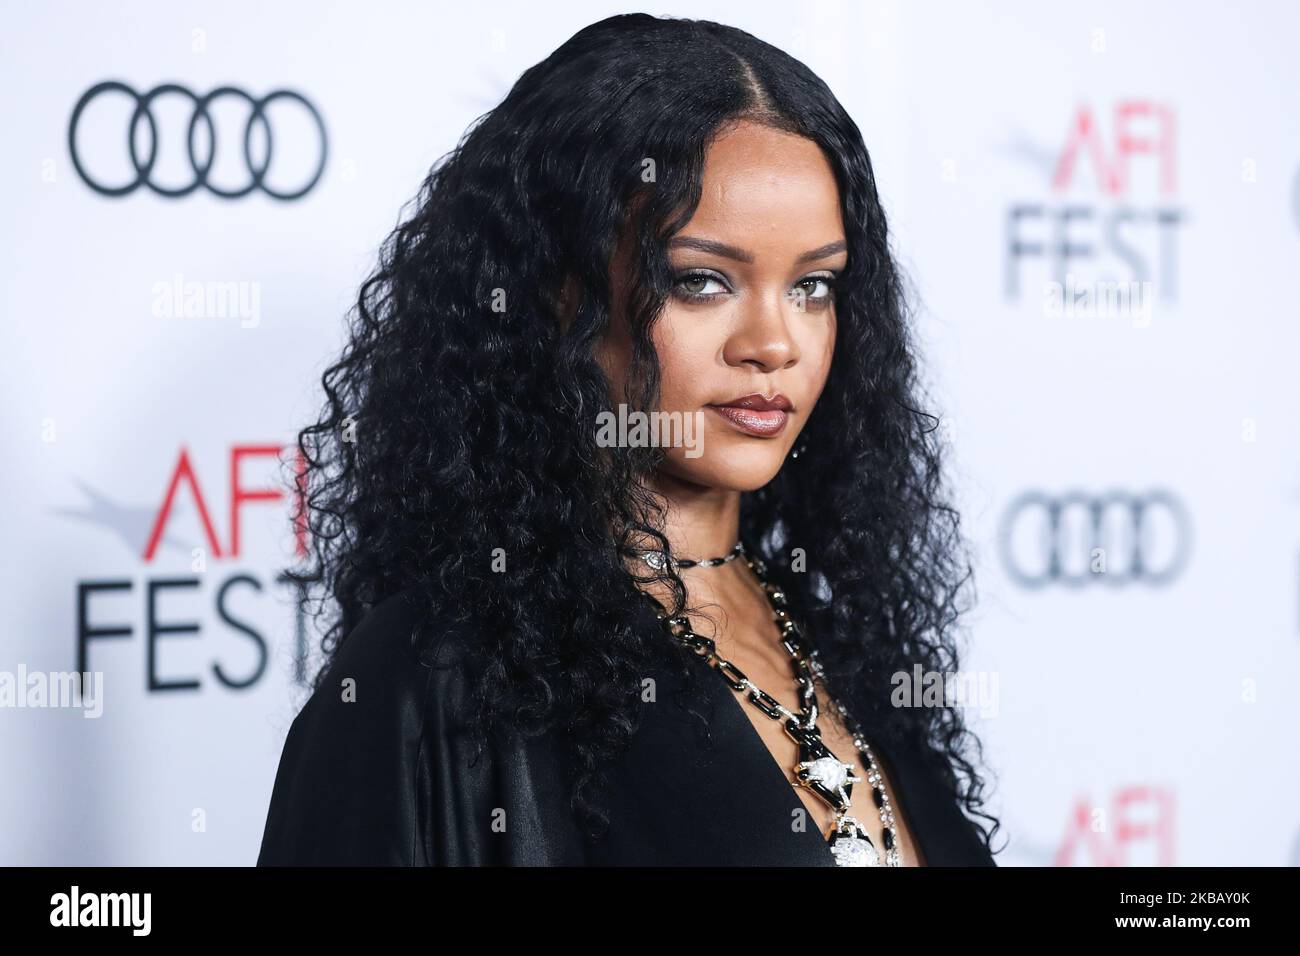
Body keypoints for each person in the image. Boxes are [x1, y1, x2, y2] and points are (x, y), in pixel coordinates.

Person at [257, 12, 1001, 867]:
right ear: (562, 294)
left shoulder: (840, 636)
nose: (774, 343)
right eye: (701, 280)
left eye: (814, 286)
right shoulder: (432, 681)